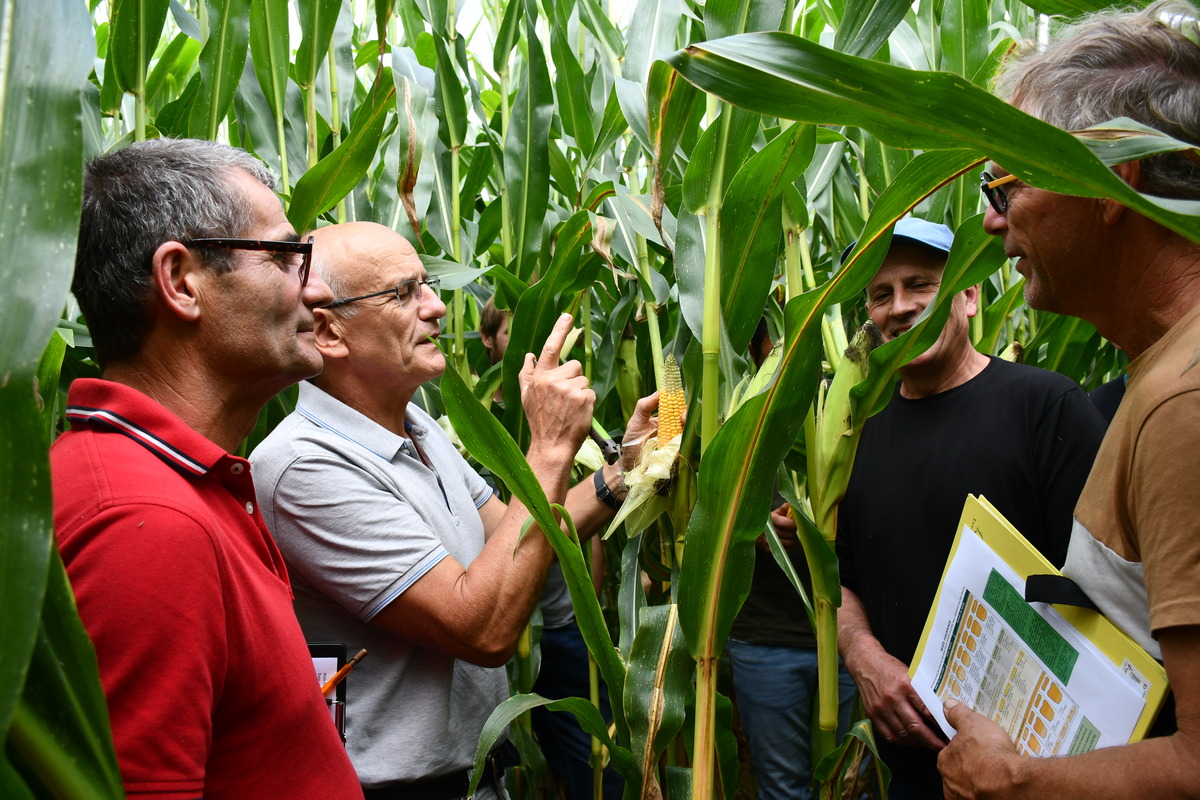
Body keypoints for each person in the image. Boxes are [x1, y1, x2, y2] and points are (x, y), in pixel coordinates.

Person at [250, 221, 655, 798]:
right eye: (403, 292)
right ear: (328, 330)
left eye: (428, 285)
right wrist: (548, 449)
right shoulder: (302, 467)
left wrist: (628, 470)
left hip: (474, 776)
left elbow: (517, 542)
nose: (437, 306)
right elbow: (483, 630)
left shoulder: (418, 428)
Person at [937, 3, 1200, 798]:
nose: (990, 221)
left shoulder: (1181, 404)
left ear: (1108, 180)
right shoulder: (1159, 373)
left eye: (1006, 183)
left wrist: (1013, 780)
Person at [51, 138, 361, 798]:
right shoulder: (146, 526)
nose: (322, 289)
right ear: (183, 282)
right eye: (286, 257)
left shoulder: (177, 486)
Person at [834, 217, 1107, 799]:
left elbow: (1106, 599)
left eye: (921, 285)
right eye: (881, 294)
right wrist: (863, 655)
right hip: (903, 767)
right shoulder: (860, 437)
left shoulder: (1048, 408)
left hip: (1027, 770)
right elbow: (843, 579)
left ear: (969, 294)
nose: (899, 307)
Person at [479, 296, 622, 800]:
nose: (527, 345)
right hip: (515, 642)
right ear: (488, 342)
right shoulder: (474, 429)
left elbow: (564, 524)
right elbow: (505, 535)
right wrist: (550, 444)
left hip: (570, 628)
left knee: (593, 767)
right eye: (513, 334)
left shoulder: (560, 413)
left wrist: (624, 472)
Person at [728, 320, 858, 800]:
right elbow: (707, 507)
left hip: (845, 637)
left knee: (845, 784)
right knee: (783, 789)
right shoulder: (734, 408)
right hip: (765, 640)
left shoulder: (842, 398)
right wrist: (758, 529)